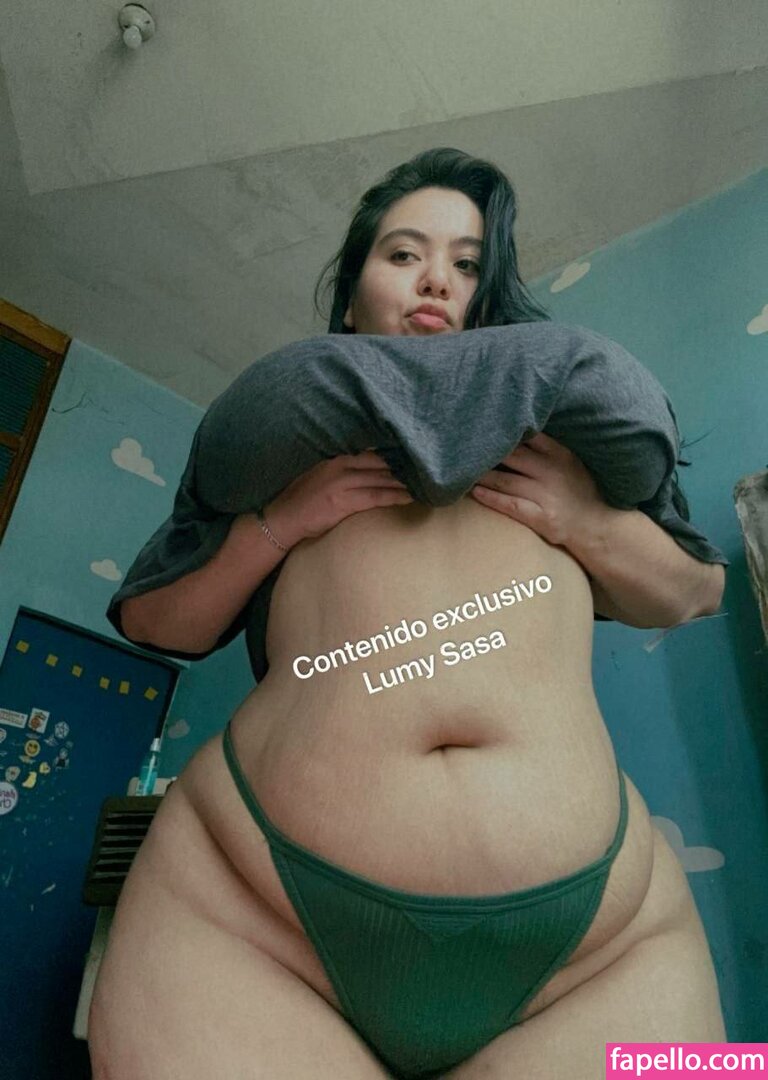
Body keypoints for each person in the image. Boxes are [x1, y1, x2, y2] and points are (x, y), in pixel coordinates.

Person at [89, 148, 727, 1080]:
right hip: (248, 908)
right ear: (351, 299)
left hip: (600, 949)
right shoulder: (286, 446)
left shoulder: (564, 444)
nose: (436, 279)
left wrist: (584, 521)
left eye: (467, 264)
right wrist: (280, 524)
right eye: (403, 254)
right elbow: (156, 625)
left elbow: (697, 593)